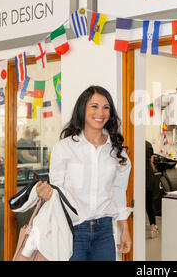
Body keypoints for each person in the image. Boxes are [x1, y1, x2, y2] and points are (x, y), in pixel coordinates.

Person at [36, 85, 132, 261]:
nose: (100, 113)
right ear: (83, 109)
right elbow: (57, 191)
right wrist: (45, 193)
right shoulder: (64, 147)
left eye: (106, 107)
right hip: (72, 229)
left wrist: (124, 228)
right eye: (94, 106)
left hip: (104, 231)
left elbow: (118, 191)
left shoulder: (117, 152)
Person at [145, 140, 159, 238]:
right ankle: (153, 226)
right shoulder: (148, 144)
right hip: (148, 175)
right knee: (149, 203)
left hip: (138, 175)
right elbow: (151, 161)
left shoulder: (133, 142)